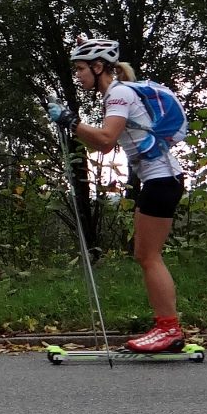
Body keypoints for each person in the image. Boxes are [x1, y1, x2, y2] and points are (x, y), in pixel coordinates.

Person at [47, 38, 186, 353]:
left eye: (81, 69)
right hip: (157, 180)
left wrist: (70, 121)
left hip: (162, 179)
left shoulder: (119, 94)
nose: (78, 75)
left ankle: (169, 330)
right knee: (144, 255)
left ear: (99, 67)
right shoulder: (117, 93)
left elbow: (106, 141)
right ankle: (166, 327)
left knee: (149, 257)